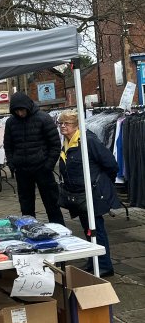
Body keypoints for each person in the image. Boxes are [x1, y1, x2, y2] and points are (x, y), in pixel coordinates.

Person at [58, 110, 119, 277]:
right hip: (79, 195)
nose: (63, 126)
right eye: (61, 123)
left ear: (76, 125)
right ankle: (94, 261)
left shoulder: (88, 141)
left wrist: (103, 184)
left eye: (67, 123)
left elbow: (111, 164)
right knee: (88, 230)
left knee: (96, 229)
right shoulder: (67, 141)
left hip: (93, 192)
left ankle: (104, 265)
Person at [3, 92, 65, 225]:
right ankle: (30, 230)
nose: (20, 113)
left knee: (52, 203)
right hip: (22, 170)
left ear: (27, 106)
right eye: (17, 111)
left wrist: (48, 166)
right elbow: (8, 146)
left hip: (42, 168)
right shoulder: (10, 122)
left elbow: (55, 144)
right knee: (26, 206)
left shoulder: (43, 118)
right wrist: (12, 164)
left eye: (22, 110)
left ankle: (60, 230)